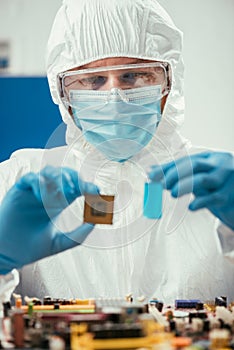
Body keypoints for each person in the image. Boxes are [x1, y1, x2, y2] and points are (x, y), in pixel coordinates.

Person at [0, 0, 234, 305]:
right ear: (63, 93)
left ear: (169, 82)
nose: (115, 98)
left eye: (133, 76)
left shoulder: (218, 186)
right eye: (93, 79)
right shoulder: (17, 181)